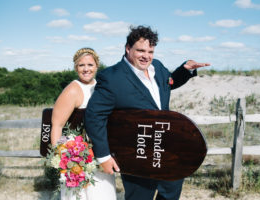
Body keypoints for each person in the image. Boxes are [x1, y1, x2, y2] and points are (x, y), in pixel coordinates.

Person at [84, 25, 210, 200]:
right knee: (140, 196)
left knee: (172, 188)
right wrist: (104, 156)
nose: (146, 56)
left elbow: (168, 84)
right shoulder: (112, 77)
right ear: (128, 49)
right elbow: (94, 116)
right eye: (141, 50)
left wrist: (185, 71)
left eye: (150, 51)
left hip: (165, 145)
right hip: (136, 150)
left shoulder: (156, 67)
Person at [51, 47, 117, 200]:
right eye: (81, 65)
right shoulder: (73, 90)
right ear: (76, 67)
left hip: (101, 154)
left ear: (96, 66)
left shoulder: (101, 86)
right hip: (78, 160)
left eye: (90, 65)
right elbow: (57, 126)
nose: (86, 69)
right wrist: (63, 159)